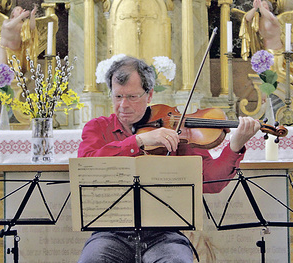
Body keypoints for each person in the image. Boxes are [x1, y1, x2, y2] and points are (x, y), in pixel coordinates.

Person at [77, 56, 260, 262]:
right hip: (110, 234)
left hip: (164, 235)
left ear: (150, 94)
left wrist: (235, 146)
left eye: (132, 96)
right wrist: (138, 141)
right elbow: (87, 164)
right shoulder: (97, 127)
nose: (123, 105)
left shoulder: (174, 129)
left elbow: (209, 180)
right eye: (117, 96)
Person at [240, 0, 293, 115]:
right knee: (265, 75)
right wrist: (255, 8)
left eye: (265, 5)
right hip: (265, 53)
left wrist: (261, 7)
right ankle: (265, 95)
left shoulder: (275, 20)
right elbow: (246, 18)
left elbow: (270, 18)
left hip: (277, 53)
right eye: (261, 5)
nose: (262, 6)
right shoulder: (258, 20)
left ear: (269, 8)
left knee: (278, 72)